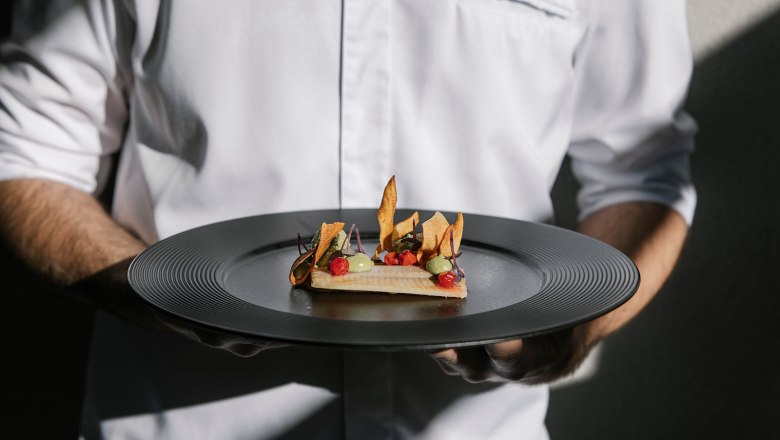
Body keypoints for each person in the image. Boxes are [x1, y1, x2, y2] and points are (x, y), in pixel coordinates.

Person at [0, 0, 696, 438]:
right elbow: (23, 153)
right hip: (179, 419)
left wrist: (570, 331)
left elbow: (643, 172)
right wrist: (157, 290)